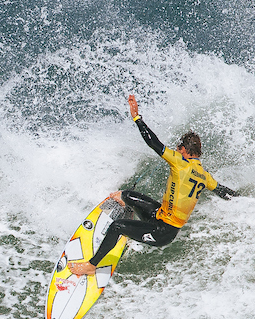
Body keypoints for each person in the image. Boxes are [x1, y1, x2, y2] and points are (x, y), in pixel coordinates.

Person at [69, 96, 238, 277]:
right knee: (126, 195)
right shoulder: (205, 176)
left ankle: (91, 266)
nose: (177, 151)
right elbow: (222, 191)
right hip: (159, 215)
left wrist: (137, 118)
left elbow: (153, 142)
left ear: (185, 151)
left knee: (117, 226)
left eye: (179, 149)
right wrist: (244, 200)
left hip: (162, 232)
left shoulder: (181, 162)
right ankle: (130, 226)